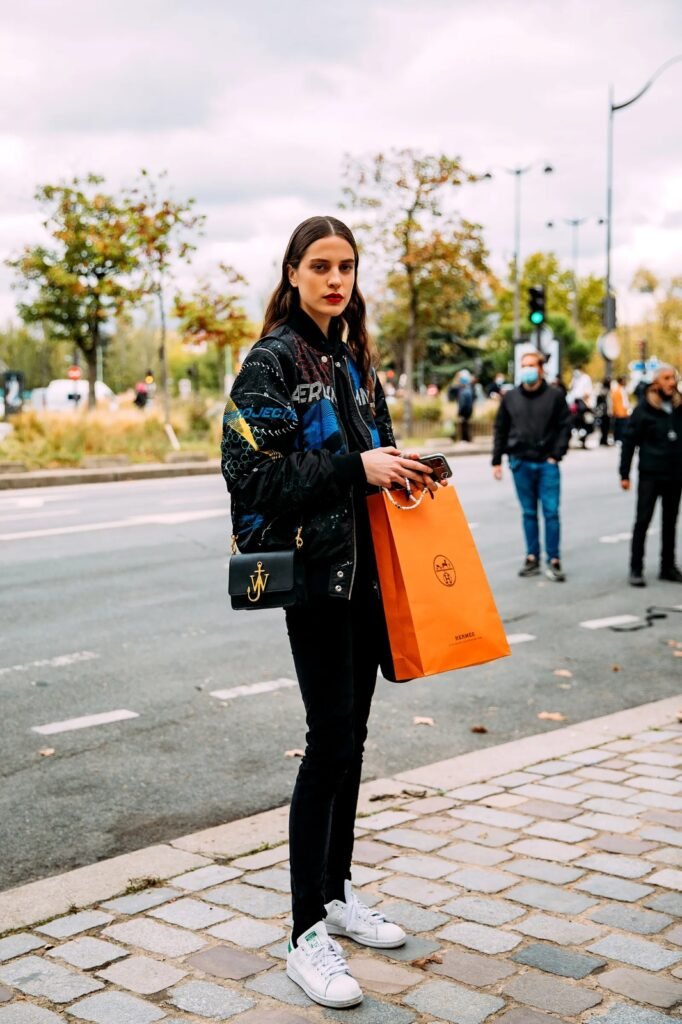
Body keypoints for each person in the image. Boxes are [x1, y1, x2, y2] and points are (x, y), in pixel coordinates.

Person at [221, 216, 442, 1009]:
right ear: (292, 271)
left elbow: (362, 461)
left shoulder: (352, 354)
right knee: (327, 746)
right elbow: (250, 476)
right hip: (315, 582)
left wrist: (402, 468)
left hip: (369, 577)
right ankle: (303, 931)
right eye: (320, 266)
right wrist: (359, 464)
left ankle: (339, 892)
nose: (335, 279)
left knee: (351, 741)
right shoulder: (272, 361)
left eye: (346, 265)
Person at [492, 349, 572, 581]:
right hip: (520, 463)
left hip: (547, 464)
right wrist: (496, 460)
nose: (527, 370)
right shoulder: (511, 397)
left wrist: (556, 455)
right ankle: (532, 557)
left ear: (541, 368)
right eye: (524, 365)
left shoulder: (555, 396)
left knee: (551, 513)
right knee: (528, 513)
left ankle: (554, 559)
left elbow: (565, 426)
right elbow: (500, 429)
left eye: (532, 365)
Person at [619, 364, 682, 587]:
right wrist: (624, 473)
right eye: (666, 378)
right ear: (656, 382)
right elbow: (629, 442)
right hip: (650, 473)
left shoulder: (678, 405)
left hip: (675, 474)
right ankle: (636, 568)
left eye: (673, 378)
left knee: (670, 522)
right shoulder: (644, 409)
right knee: (643, 521)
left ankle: (668, 566)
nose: (671, 383)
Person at [611, 375, 631, 444]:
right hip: (619, 412)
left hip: (624, 411)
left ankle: (622, 438)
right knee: (619, 426)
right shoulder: (617, 390)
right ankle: (617, 439)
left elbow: (626, 401)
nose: (625, 382)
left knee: (624, 426)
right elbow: (615, 402)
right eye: (623, 380)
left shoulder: (623, 389)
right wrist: (615, 411)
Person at [456, 369, 474, 442]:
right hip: (468, 411)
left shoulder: (464, 391)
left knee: (464, 426)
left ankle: (465, 439)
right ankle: (466, 439)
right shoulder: (469, 389)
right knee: (466, 425)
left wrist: (460, 413)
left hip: (464, 412)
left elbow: (463, 403)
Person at [595, 377, 613, 446]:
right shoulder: (603, 391)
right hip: (604, 412)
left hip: (605, 412)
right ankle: (603, 440)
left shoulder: (606, 390)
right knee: (604, 427)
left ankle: (604, 439)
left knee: (606, 427)